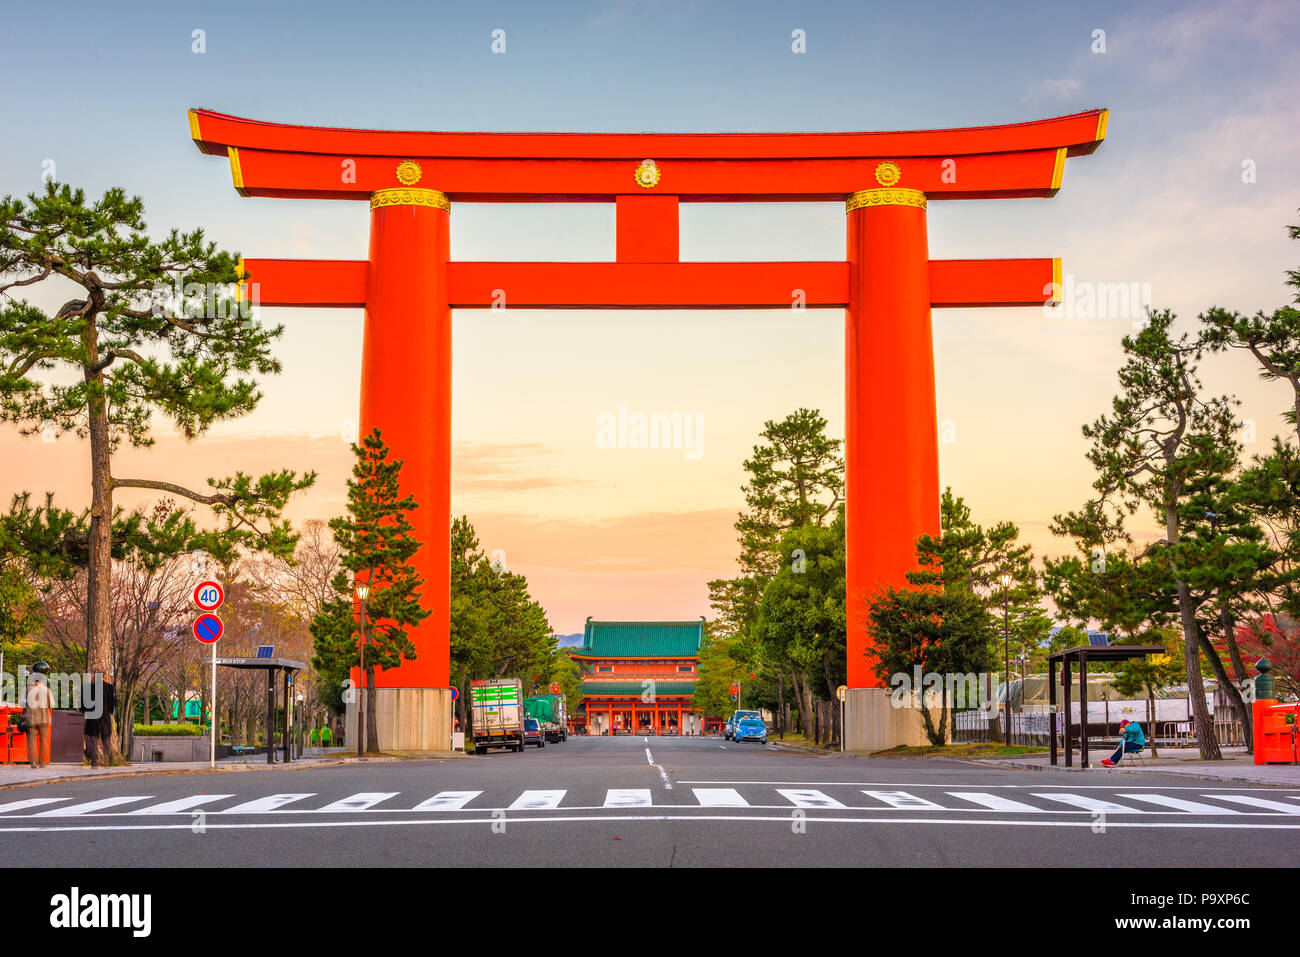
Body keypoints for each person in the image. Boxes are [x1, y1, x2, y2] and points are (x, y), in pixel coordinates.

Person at [24, 667, 54, 768]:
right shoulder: (47, 690)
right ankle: (42, 762)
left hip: (31, 718)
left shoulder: (28, 689)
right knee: (44, 740)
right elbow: (51, 704)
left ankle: (33, 762)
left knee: (31, 740)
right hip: (44, 718)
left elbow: (23, 703)